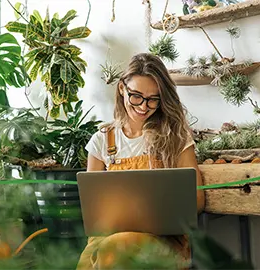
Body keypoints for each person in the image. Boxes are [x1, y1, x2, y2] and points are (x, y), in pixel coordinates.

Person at [76, 53, 205, 269]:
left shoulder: (176, 137)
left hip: (163, 239)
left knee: (116, 249)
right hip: (105, 240)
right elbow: (92, 209)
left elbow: (197, 200)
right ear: (121, 89)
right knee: (109, 250)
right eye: (136, 96)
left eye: (153, 99)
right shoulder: (101, 140)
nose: (144, 107)